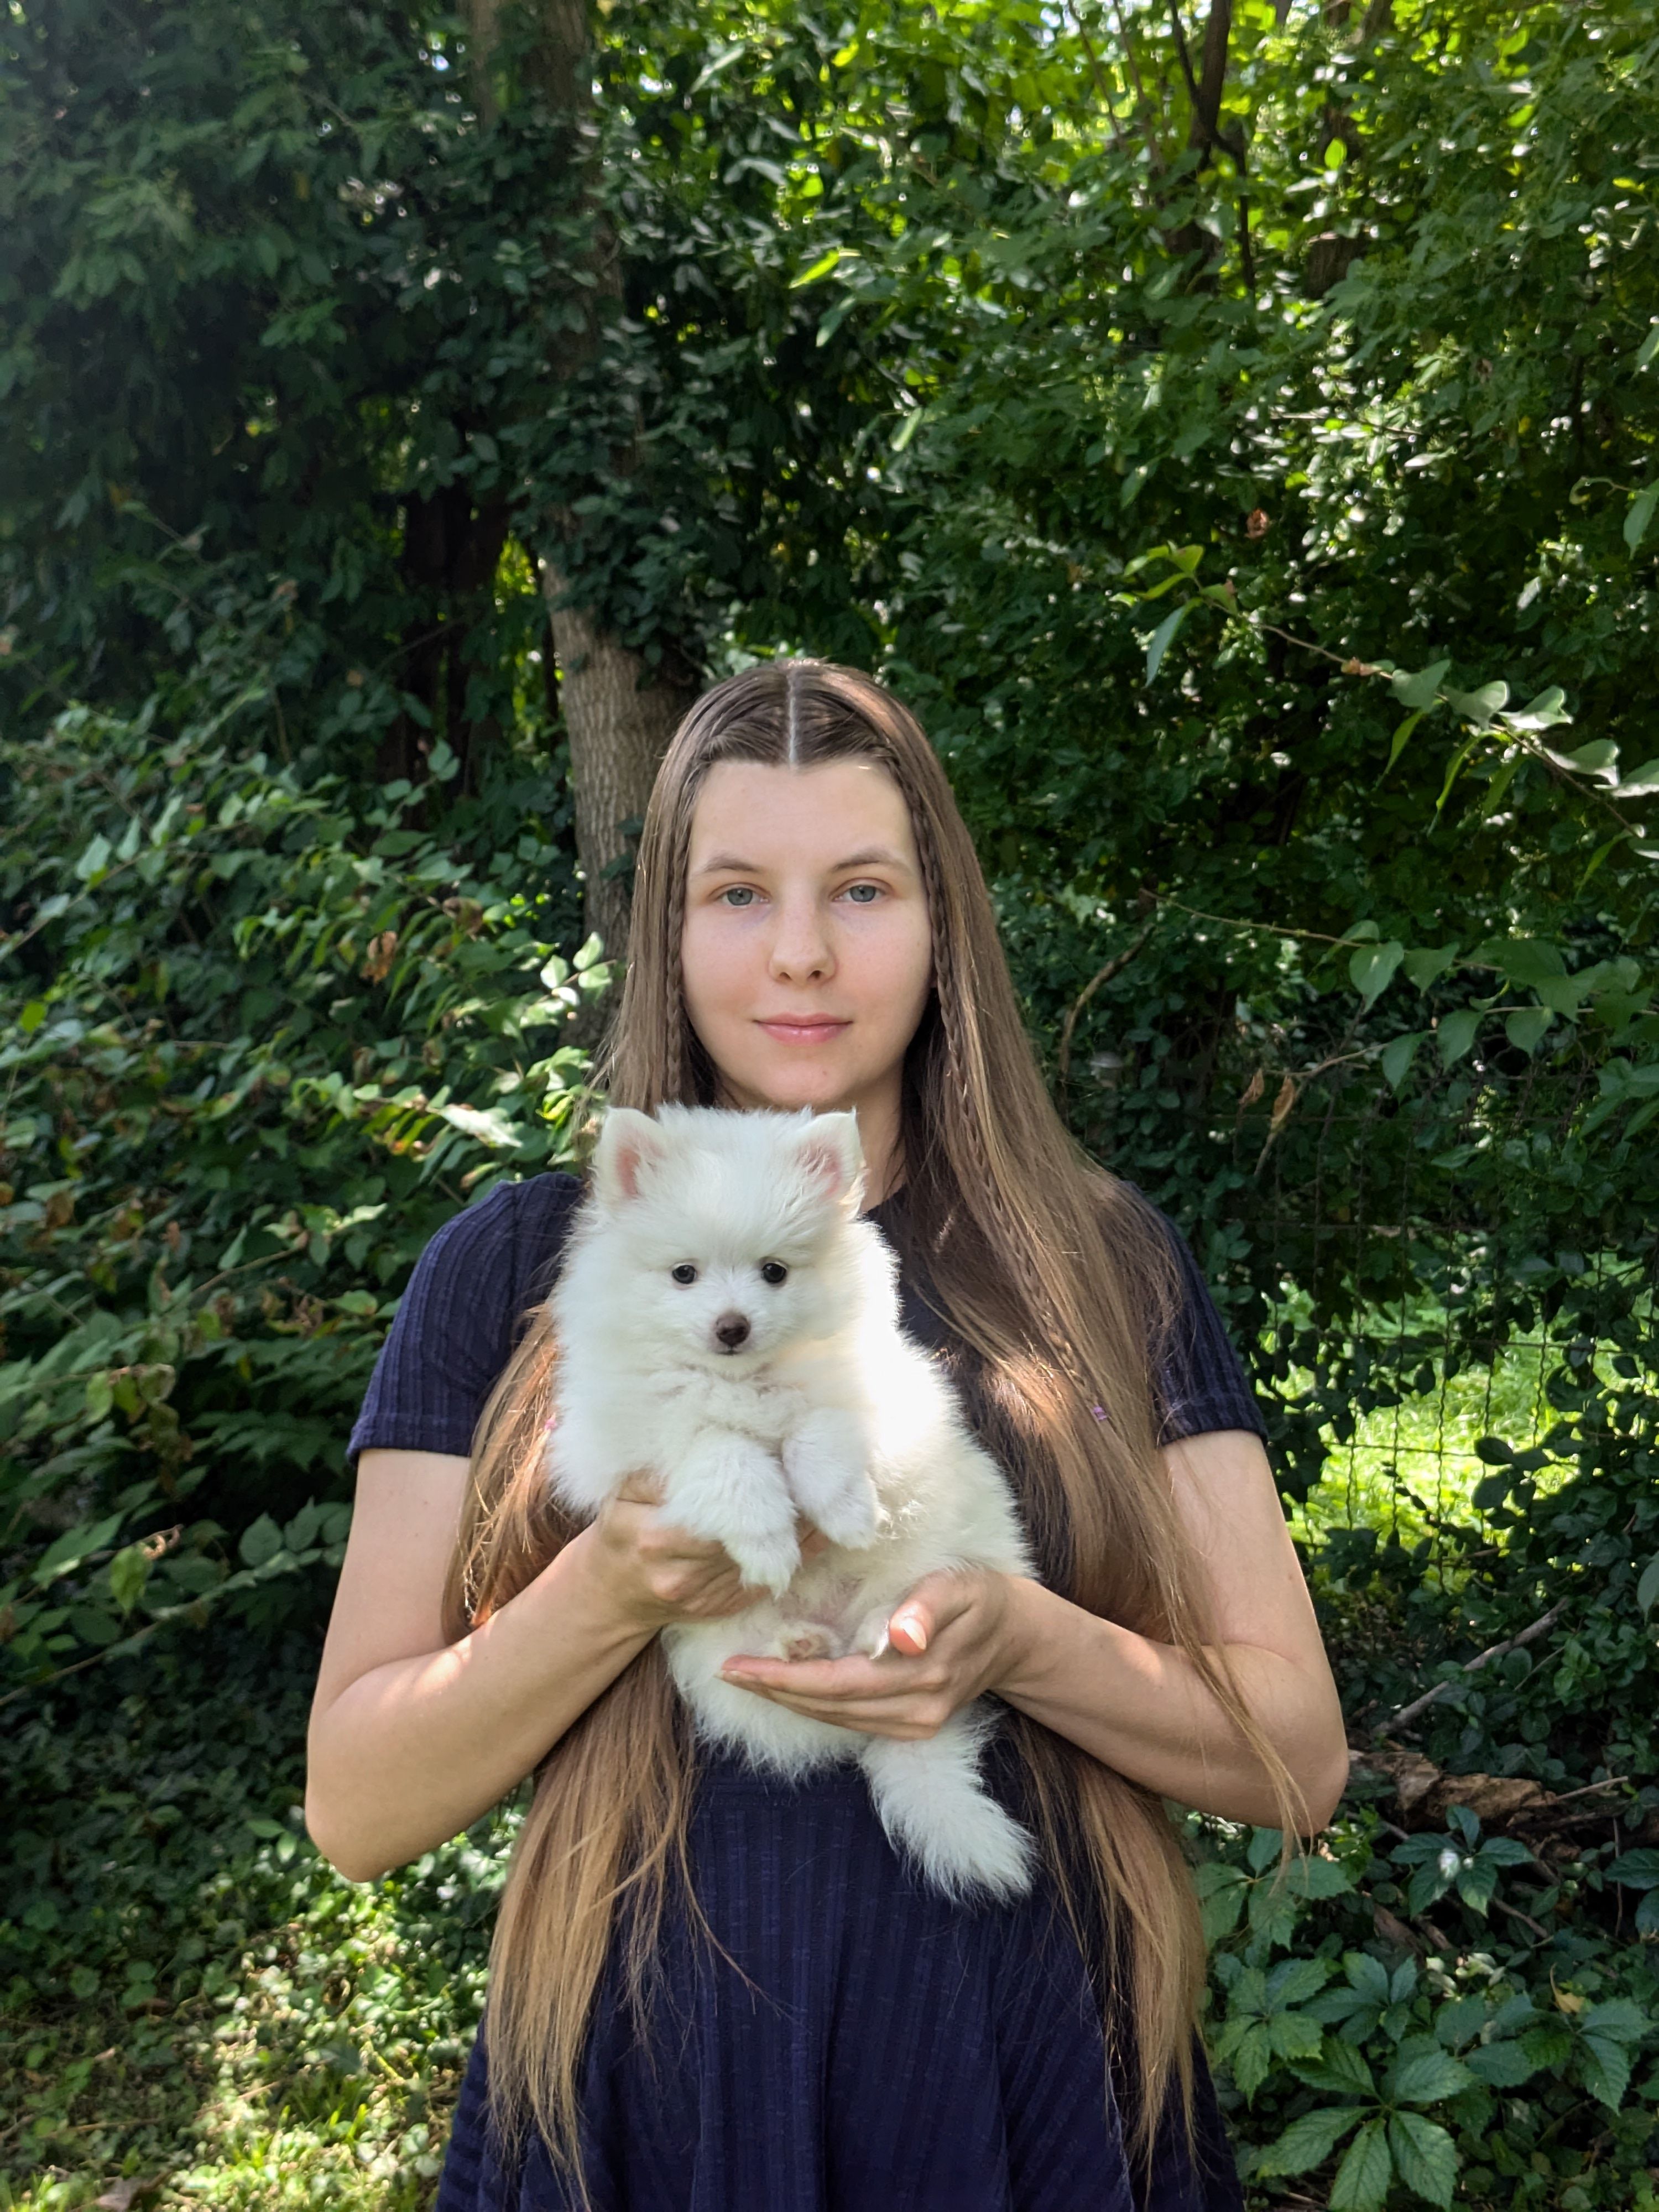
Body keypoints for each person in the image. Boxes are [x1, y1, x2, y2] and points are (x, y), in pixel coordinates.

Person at [306, 661, 1349, 2212]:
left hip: (1031, 2075)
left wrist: (1015, 1639)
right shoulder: (514, 1266)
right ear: (668, 933)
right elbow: (355, 1806)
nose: (801, 951)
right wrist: (612, 1590)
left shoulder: (1101, 1262)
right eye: (738, 894)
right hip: (647, 2081)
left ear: (943, 926)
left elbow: (1300, 1756)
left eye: (861, 889)